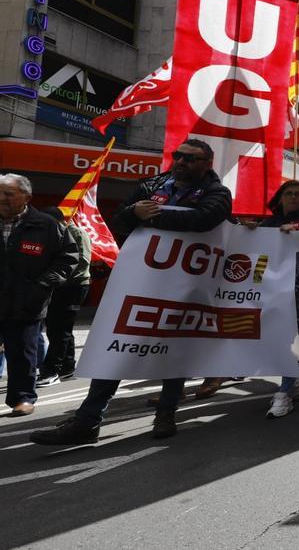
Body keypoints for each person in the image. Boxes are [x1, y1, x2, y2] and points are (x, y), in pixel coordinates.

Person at [32, 139, 230, 444]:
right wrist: (135, 213)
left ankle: (166, 412)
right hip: (139, 282)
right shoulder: (151, 186)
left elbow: (204, 220)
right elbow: (119, 221)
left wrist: (150, 215)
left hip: (185, 288)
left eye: (190, 159)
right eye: (178, 156)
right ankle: (88, 420)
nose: (181, 162)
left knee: (174, 349)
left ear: (207, 164)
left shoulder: (218, 192)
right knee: (117, 343)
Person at [242, 180, 299, 418]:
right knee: (277, 340)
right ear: (279, 198)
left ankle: (285, 392)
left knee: (290, 339)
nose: (293, 198)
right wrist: (249, 235)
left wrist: (298, 238)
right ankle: (296, 378)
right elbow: (260, 259)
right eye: (288, 193)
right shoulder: (268, 224)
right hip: (272, 292)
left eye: (298, 194)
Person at [1, 174, 80, 417]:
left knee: (22, 352)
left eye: (8, 194)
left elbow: (68, 258)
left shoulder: (47, 225)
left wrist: (44, 285)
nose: (2, 199)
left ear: (26, 197)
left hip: (26, 301)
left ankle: (22, 398)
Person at [37, 207, 92, 387]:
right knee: (57, 326)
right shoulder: (52, 234)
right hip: (57, 286)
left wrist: (58, 277)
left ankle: (51, 370)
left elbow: (82, 261)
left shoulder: (76, 233)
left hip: (75, 285)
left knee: (60, 327)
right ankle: (67, 367)